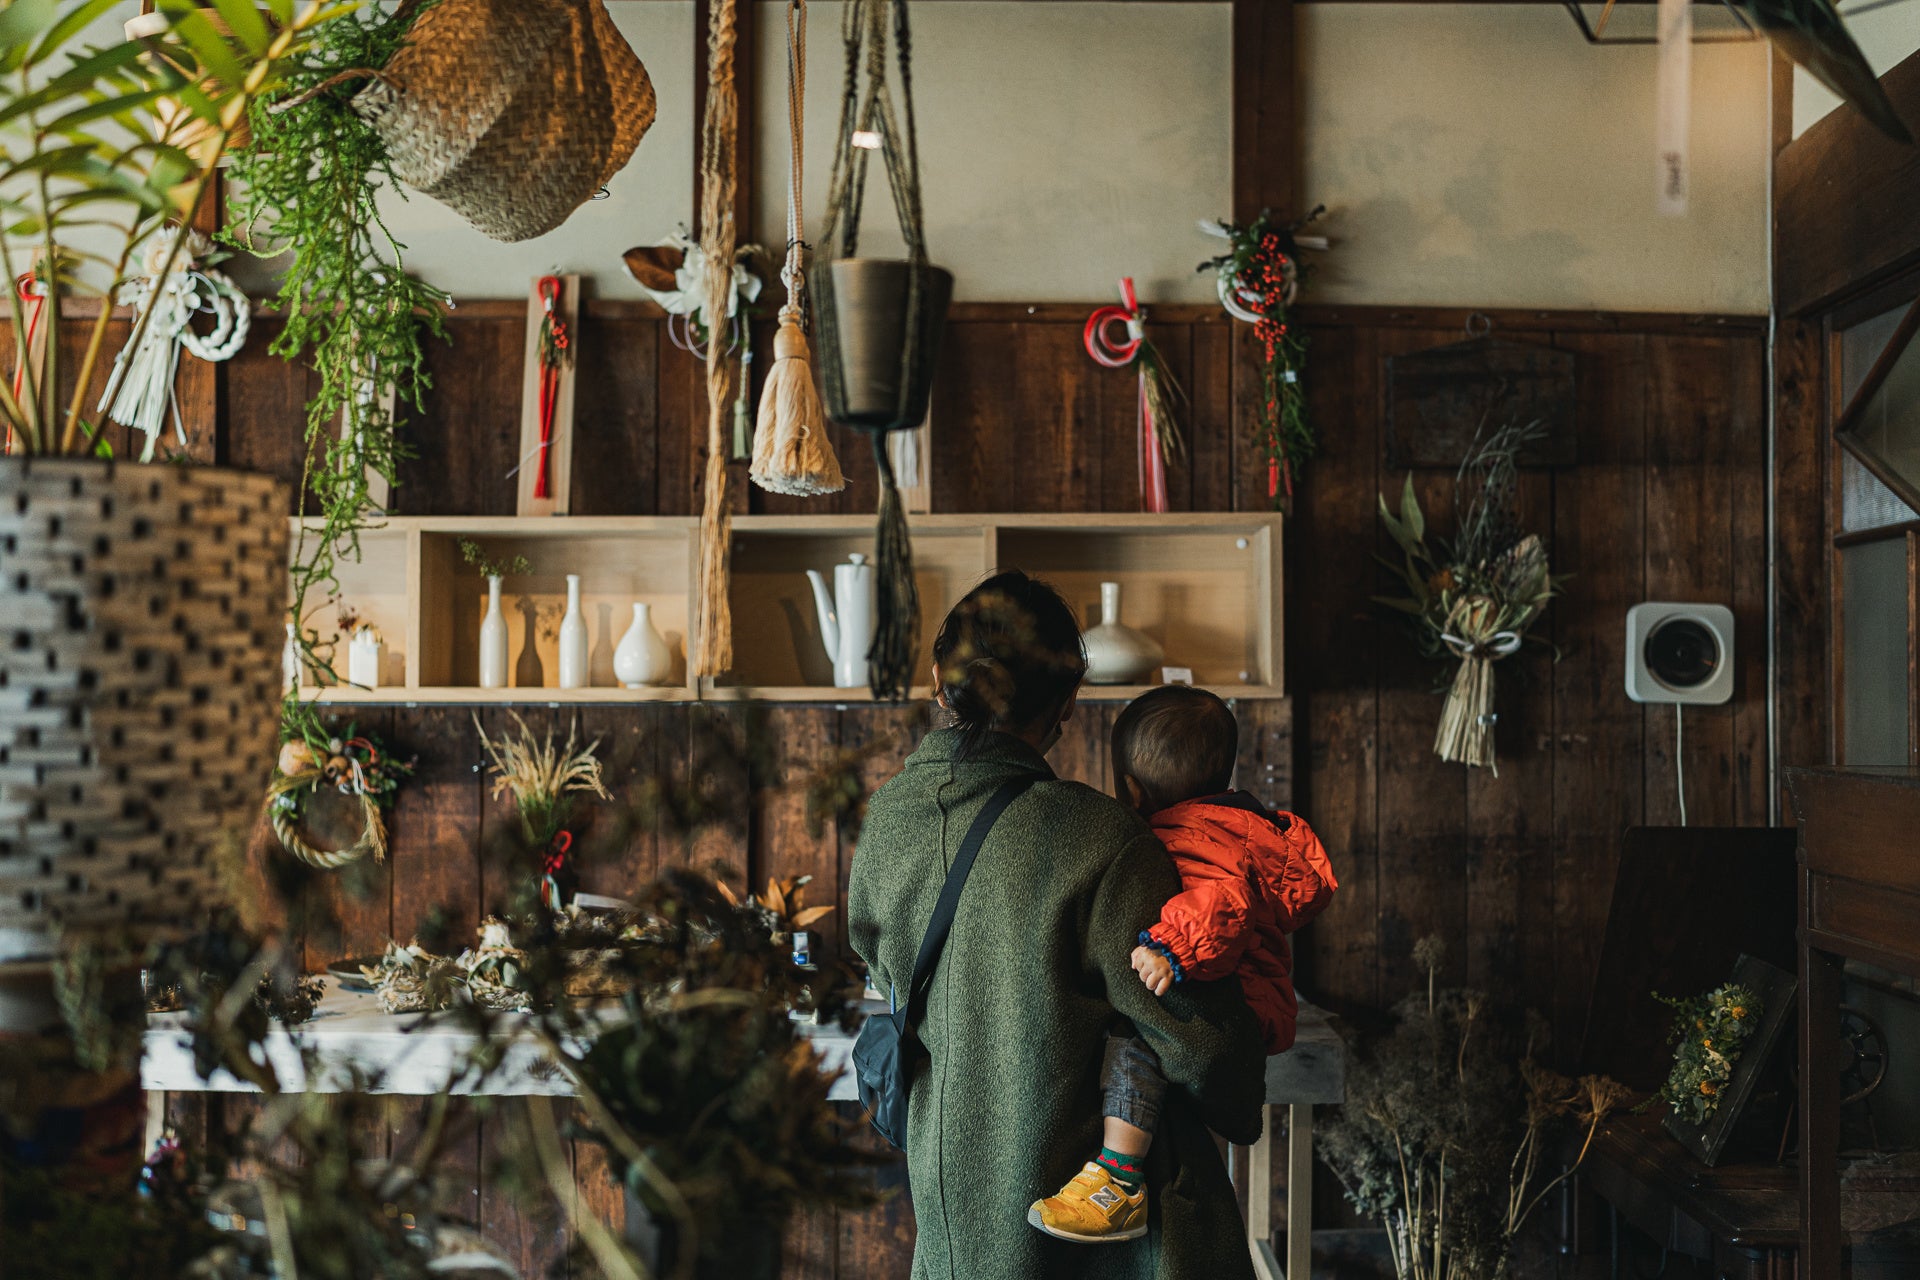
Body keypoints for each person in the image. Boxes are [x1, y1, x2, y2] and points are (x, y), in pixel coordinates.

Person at [847, 571, 1267, 1280]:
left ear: (939, 682)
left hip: (954, 1232)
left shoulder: (888, 822)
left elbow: (888, 975)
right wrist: (1242, 1070)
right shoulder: (1102, 837)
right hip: (1102, 1243)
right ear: (1068, 699)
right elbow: (1197, 1042)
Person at [1028, 686, 1338, 1243]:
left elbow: (1224, 902)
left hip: (1236, 1002)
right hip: (1252, 993)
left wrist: (1170, 947)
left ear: (1131, 789)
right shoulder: (1235, 826)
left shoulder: (1193, 835)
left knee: (1133, 1037)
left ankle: (1118, 1183)